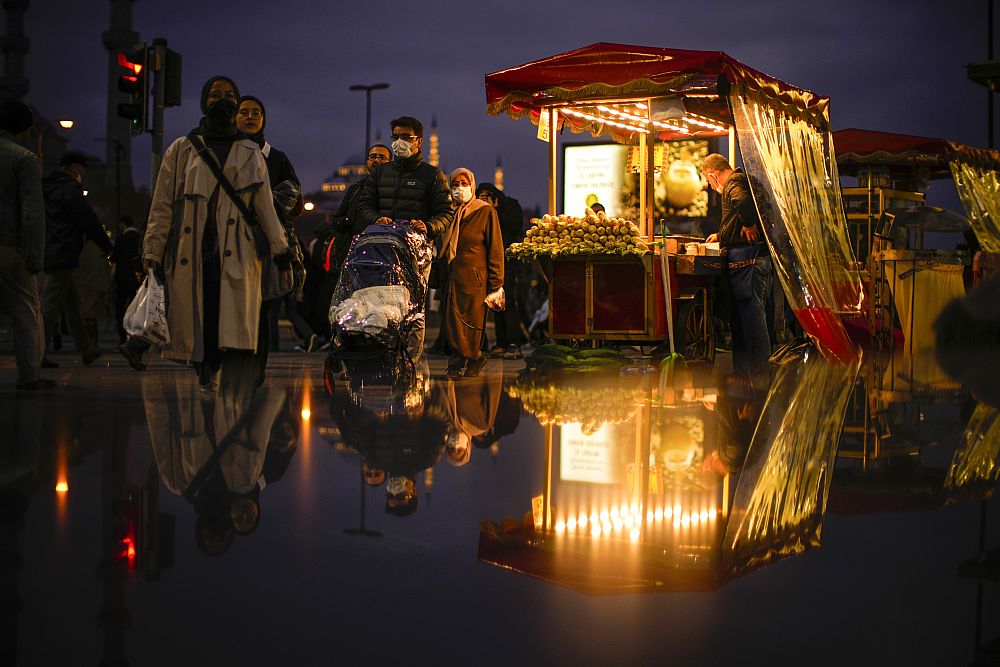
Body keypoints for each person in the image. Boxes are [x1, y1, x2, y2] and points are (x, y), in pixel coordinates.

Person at [141, 75, 291, 391]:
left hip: (240, 250)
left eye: (229, 94)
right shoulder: (182, 149)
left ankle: (230, 379)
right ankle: (208, 373)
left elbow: (265, 205)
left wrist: (280, 249)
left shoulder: (250, 151)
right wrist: (153, 250)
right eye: (215, 94)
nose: (222, 99)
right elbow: (162, 204)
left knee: (235, 320)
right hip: (194, 248)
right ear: (204, 102)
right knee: (202, 314)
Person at [357, 116, 453, 357]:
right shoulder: (380, 173)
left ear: (419, 141)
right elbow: (365, 204)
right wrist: (375, 218)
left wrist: (428, 226)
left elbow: (445, 212)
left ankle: (411, 363)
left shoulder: (432, 176)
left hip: (415, 253)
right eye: (396, 137)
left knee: (413, 308)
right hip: (381, 249)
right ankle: (383, 357)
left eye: (405, 137)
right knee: (379, 304)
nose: (399, 142)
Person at [235, 95, 316, 363]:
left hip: (269, 245)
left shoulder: (277, 158)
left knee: (268, 304)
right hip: (232, 242)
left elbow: (293, 202)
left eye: (255, 112)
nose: (249, 117)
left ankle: (262, 360)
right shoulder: (225, 155)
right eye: (244, 112)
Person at [702, 153, 772, 378]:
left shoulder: (733, 183)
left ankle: (759, 373)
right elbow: (737, 214)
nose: (712, 188)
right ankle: (747, 375)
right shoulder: (745, 180)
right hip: (751, 256)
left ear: (713, 176)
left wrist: (749, 224)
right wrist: (721, 235)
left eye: (709, 182)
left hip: (748, 258)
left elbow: (742, 202)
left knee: (752, 315)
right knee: (747, 315)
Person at [40, 150, 112, 366]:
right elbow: (87, 220)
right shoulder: (69, 190)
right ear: (73, 167)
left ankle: (85, 349)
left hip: (51, 249)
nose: (83, 173)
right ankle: (35, 353)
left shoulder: (48, 189)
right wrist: (107, 246)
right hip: (63, 251)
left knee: (72, 305)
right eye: (81, 168)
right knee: (50, 306)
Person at [0, 99, 53, 393]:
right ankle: (29, 376)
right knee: (25, 311)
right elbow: (32, 213)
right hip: (11, 246)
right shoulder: (24, 159)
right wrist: (35, 256)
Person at [439, 168, 504, 379]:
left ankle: (470, 357)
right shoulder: (450, 214)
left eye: (463, 183)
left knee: (472, 323)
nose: (459, 188)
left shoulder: (484, 212)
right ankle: (464, 359)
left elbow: (495, 248)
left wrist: (496, 283)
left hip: (475, 278)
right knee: (452, 322)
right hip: (452, 277)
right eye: (454, 184)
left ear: (472, 184)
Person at [476, 182, 525, 359]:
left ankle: (513, 343)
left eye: (486, 196)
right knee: (495, 302)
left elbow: (514, 228)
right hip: (488, 261)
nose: (484, 200)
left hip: (508, 261)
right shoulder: (479, 211)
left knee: (508, 301)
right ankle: (501, 342)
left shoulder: (510, 206)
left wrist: (495, 211)